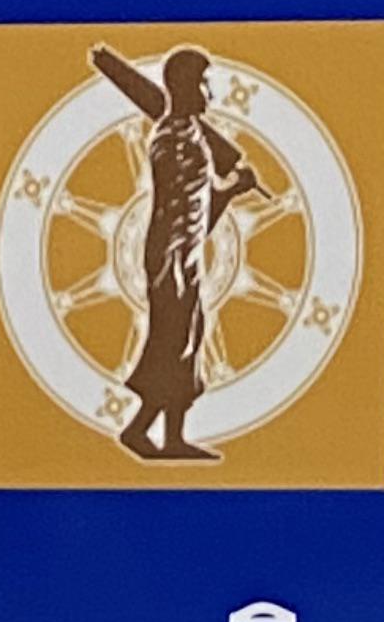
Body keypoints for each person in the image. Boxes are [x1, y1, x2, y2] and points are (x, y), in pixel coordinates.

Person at [89, 42, 259, 463]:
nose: (210, 93)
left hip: (182, 253)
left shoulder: (191, 135)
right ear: (184, 87)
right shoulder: (173, 139)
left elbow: (197, 210)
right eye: (203, 83)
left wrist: (227, 192)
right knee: (174, 342)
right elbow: (180, 210)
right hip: (171, 256)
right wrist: (233, 190)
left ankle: (161, 434)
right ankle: (147, 432)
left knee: (185, 338)